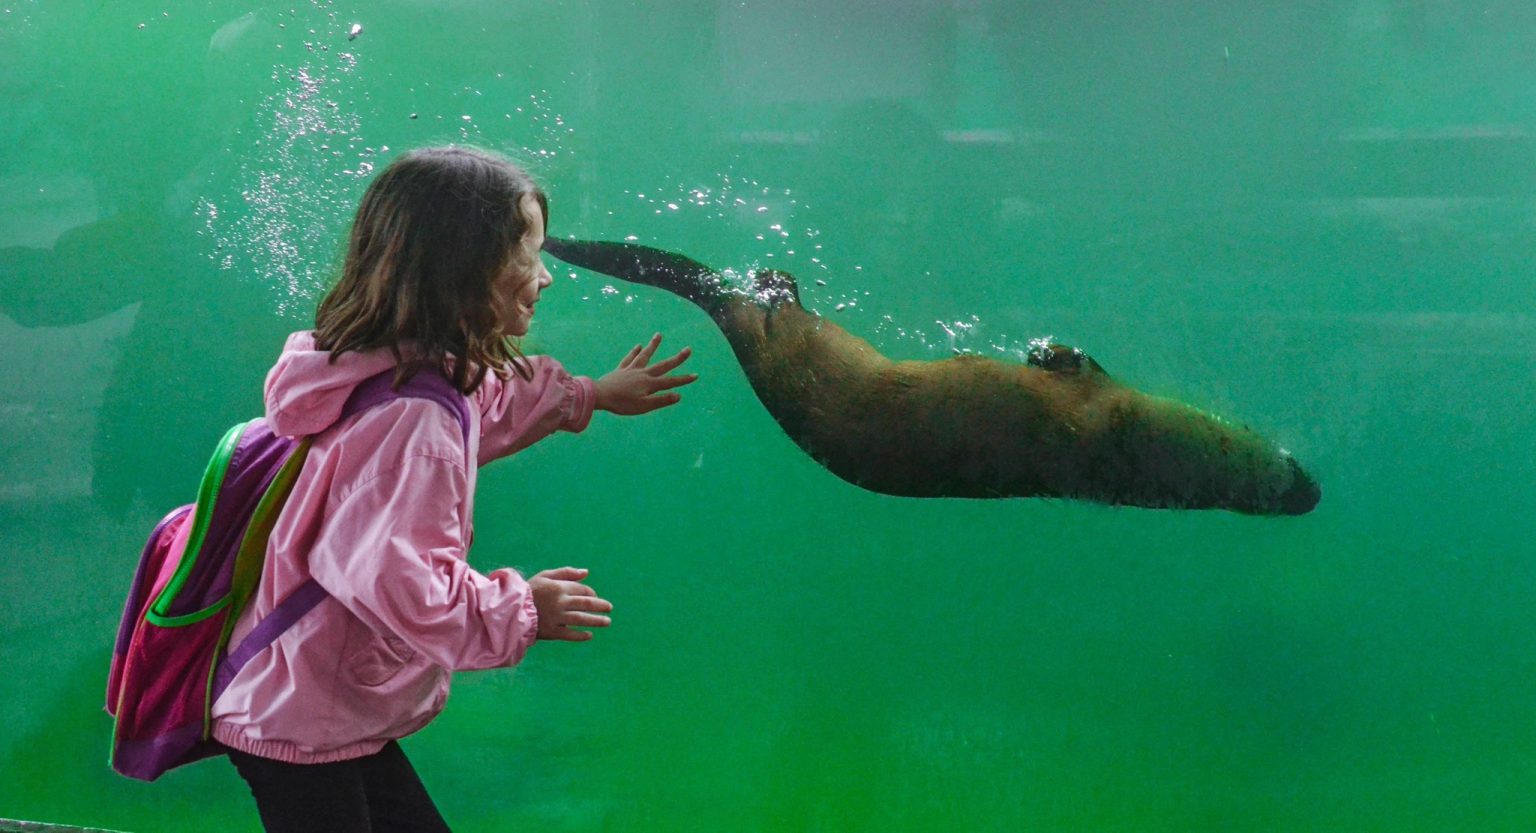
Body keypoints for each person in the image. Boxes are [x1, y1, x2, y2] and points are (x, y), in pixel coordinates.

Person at [210, 145, 696, 832]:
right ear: (466, 270)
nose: (545, 277)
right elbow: (401, 584)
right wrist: (521, 609)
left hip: (314, 697)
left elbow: (488, 403)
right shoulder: (415, 421)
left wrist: (587, 395)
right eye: (528, 254)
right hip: (304, 717)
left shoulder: (390, 367)